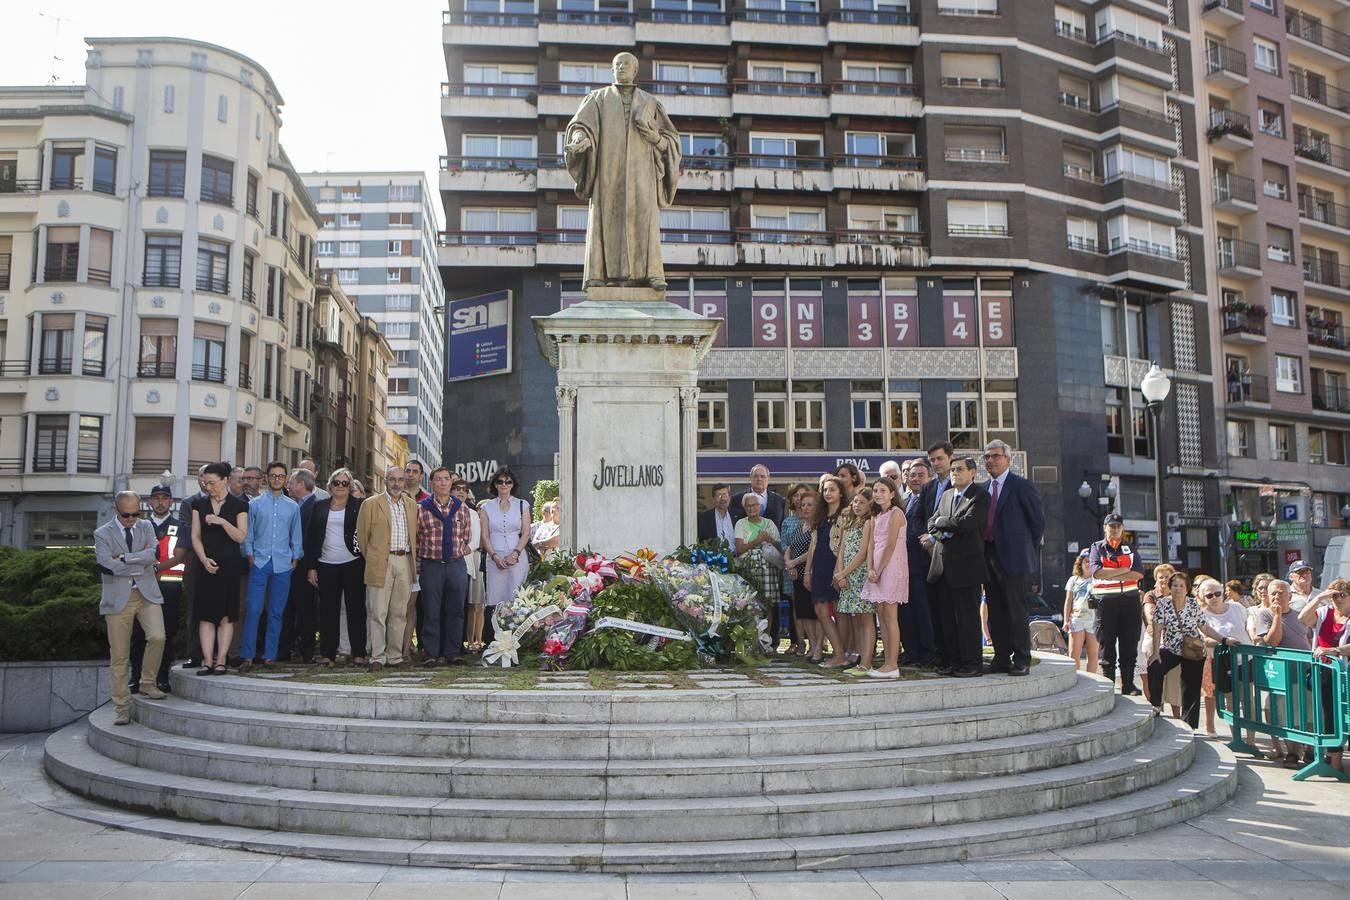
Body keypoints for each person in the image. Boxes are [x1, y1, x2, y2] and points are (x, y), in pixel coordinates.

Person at [563, 51, 681, 291]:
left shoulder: (650, 103)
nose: (621, 67)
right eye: (617, 64)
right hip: (609, 173)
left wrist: (655, 137)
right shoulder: (597, 99)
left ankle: (652, 274)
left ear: (635, 70)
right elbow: (580, 125)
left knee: (645, 220)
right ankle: (597, 275)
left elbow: (672, 143)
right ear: (612, 69)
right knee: (604, 218)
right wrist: (580, 139)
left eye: (626, 64)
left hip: (642, 176)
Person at [95, 492, 168, 725]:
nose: (131, 518)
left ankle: (147, 683)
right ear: (116, 510)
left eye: (136, 513)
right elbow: (107, 565)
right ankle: (122, 708)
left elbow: (153, 554)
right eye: (126, 515)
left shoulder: (146, 526)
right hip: (118, 599)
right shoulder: (102, 533)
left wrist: (125, 559)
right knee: (119, 656)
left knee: (158, 637)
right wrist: (139, 564)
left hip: (147, 593)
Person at [980, 440, 1044, 677]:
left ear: (1008, 459)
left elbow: (1037, 523)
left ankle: (1021, 658)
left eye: (996, 456)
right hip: (989, 555)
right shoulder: (983, 487)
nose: (990, 461)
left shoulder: (1021, 486)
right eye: (986, 457)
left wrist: (1025, 547)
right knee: (995, 610)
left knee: (1016, 610)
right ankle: (1001, 657)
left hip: (1014, 557)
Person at [1145, 571, 1238, 729]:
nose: (1178, 588)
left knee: (1191, 686)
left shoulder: (1193, 603)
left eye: (1181, 586)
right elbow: (1157, 628)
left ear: (1187, 588)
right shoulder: (1163, 603)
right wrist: (1155, 652)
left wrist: (1223, 639)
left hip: (1192, 648)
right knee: (1155, 667)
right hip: (1171, 647)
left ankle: (1190, 724)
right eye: (1174, 585)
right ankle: (1155, 705)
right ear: (1170, 587)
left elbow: (1204, 626)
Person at [927, 457, 991, 678]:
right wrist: (944, 527)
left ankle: (972, 664)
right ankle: (953, 661)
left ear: (972, 472)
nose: (954, 473)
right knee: (947, 619)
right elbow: (931, 523)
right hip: (943, 567)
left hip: (967, 568)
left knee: (967, 620)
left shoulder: (980, 495)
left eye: (960, 469)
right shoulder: (946, 495)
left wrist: (944, 523)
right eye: (952, 469)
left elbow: (968, 523)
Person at [238, 462, 303, 672]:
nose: (276, 479)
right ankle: (247, 656)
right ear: (266, 478)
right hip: (259, 562)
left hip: (283, 564)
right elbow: (248, 533)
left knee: (276, 612)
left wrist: (296, 557)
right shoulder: (255, 504)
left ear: (285, 479)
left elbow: (296, 534)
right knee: (254, 610)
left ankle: (270, 656)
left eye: (281, 476)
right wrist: (249, 555)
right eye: (273, 476)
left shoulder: (293, 506)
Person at [356, 466, 419, 671]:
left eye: (400, 480)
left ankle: (395, 656)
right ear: (385, 481)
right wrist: (374, 557)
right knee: (377, 612)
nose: (397, 484)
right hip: (380, 561)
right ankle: (377, 656)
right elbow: (363, 539)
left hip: (405, 561)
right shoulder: (371, 504)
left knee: (399, 612)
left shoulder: (411, 505)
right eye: (392, 479)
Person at [190, 462, 249, 676]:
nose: (208, 487)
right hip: (205, 565)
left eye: (212, 483)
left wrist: (222, 521)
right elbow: (195, 536)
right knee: (205, 615)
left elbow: (241, 536)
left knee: (226, 615)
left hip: (230, 565)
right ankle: (207, 661)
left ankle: (222, 660)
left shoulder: (239, 505)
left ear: (225, 480)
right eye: (205, 483)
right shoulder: (198, 503)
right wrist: (204, 559)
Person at [129, 484, 188, 694]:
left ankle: (162, 677)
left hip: (169, 587)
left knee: (166, 634)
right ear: (150, 501)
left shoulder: (180, 526)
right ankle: (136, 677)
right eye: (156, 498)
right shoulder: (139, 525)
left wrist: (156, 567)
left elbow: (180, 555)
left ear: (171, 501)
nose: (160, 502)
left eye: (165, 498)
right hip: (141, 586)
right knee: (138, 635)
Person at [304, 468, 366, 666]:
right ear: (330, 485)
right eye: (337, 483)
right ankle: (328, 654)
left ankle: (358, 653)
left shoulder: (359, 506)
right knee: (328, 610)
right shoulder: (319, 506)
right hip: (326, 564)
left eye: (345, 483)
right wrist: (311, 567)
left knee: (355, 609)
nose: (340, 486)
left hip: (353, 563)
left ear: (350, 486)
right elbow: (311, 538)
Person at [417, 466, 474, 666]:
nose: (442, 483)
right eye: (438, 479)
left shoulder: (462, 508)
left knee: (456, 610)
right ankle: (431, 653)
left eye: (446, 479)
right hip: (431, 565)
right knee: (431, 610)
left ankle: (453, 651)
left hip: (456, 564)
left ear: (451, 482)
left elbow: (466, 537)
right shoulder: (422, 508)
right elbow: (416, 538)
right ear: (431, 483)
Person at [1087, 513, 1146, 695]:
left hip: (1129, 600)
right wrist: (1122, 570)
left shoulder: (1130, 548)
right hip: (1106, 602)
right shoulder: (1097, 547)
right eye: (1111, 526)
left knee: (1129, 642)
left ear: (1122, 528)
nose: (1114, 529)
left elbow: (1138, 574)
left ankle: (1128, 684)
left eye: (1118, 526)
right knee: (1107, 643)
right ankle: (1108, 684)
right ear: (1105, 528)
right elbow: (1096, 572)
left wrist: (1111, 571)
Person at [804, 476, 852, 668]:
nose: (828, 493)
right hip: (820, 565)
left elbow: (844, 545)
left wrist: (838, 570)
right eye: (825, 490)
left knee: (840, 612)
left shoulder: (846, 514)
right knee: (820, 611)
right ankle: (838, 652)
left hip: (836, 565)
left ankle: (841, 654)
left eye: (832, 489)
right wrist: (807, 572)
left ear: (840, 492)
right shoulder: (820, 515)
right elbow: (813, 545)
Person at [482, 466, 531, 648]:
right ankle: (494, 643)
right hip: (495, 557)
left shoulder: (522, 504)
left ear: (513, 484)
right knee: (495, 600)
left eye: (508, 481)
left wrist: (516, 553)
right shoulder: (487, 507)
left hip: (517, 556)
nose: (504, 484)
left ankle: (519, 642)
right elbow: (485, 536)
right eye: (500, 481)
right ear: (495, 484)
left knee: (516, 598)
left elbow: (526, 533)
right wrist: (494, 556)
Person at [1304, 579, 1350, 772]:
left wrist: (1334, 650)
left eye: (1343, 595)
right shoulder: (1324, 613)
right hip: (1324, 673)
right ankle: (1335, 765)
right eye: (1334, 595)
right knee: (1330, 716)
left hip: (1345, 675)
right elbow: (1303, 618)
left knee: (1345, 717)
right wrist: (1320, 597)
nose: (1338, 599)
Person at [863, 477, 906, 678]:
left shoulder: (896, 514)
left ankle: (892, 663)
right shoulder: (875, 516)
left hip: (891, 567)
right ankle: (887, 663)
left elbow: (890, 545)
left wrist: (879, 570)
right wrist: (870, 568)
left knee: (890, 616)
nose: (878, 494)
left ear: (892, 493)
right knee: (881, 613)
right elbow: (871, 545)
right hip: (876, 569)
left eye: (882, 490)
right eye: (875, 490)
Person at [1198, 577, 1252, 736]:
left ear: (1223, 593)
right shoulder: (1201, 615)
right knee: (1230, 702)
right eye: (1209, 595)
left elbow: (1248, 628)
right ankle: (1236, 738)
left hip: (1246, 660)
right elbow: (1202, 639)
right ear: (1202, 597)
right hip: (1222, 663)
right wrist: (1223, 641)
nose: (1214, 598)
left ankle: (1250, 741)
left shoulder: (1237, 607)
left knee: (1249, 701)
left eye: (1217, 593)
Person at [918, 442, 955, 667]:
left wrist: (934, 538)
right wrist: (925, 537)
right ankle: (940, 655)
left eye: (939, 458)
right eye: (932, 459)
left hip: (950, 555)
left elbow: (955, 518)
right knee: (934, 609)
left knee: (951, 609)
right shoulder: (929, 487)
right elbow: (922, 517)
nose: (936, 463)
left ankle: (954, 656)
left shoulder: (959, 484)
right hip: (927, 556)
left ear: (950, 458)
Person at [277, 468, 320, 662]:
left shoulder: (315, 506)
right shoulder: (291, 504)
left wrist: (311, 566)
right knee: (287, 608)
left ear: (301, 484)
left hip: (304, 567)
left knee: (305, 609)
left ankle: (307, 650)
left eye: (291, 482)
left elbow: (312, 540)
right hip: (288, 566)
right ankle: (285, 649)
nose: (288, 485)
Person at [834, 487, 877, 673]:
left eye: (862, 502)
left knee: (866, 619)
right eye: (855, 502)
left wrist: (844, 573)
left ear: (870, 505)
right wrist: (839, 572)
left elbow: (862, 553)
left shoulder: (868, 523)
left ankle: (866, 661)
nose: (857, 505)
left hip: (859, 576)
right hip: (847, 576)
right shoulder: (849, 523)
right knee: (857, 619)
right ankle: (858, 655)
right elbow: (842, 550)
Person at [900, 460, 938, 666]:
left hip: (922, 562)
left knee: (923, 610)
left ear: (929, 477)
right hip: (901, 565)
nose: (915, 478)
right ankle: (911, 651)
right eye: (912, 475)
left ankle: (928, 653)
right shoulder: (903, 499)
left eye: (920, 475)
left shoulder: (932, 499)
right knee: (905, 611)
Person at [734, 492, 782, 626]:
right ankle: (752, 640)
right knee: (748, 604)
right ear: (744, 508)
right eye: (748, 506)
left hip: (767, 570)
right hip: (748, 569)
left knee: (767, 605)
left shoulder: (769, 523)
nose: (751, 508)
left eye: (754, 505)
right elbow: (739, 550)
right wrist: (757, 541)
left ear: (760, 506)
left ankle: (766, 641)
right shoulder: (740, 524)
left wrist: (770, 540)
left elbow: (779, 547)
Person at [178, 464, 209, 669]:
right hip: (194, 565)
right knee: (194, 610)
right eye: (201, 476)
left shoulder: (224, 502)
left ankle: (213, 653)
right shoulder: (188, 504)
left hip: (219, 563)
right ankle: (194, 653)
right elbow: (187, 533)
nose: (205, 480)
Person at [785, 488, 821, 659]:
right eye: (803, 504)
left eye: (810, 505)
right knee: (803, 613)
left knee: (814, 614)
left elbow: (812, 551)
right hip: (796, 575)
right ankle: (812, 646)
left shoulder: (817, 526)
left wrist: (795, 562)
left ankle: (818, 648)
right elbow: (790, 547)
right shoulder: (801, 525)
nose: (805, 508)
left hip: (812, 574)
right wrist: (789, 564)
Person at [776, 484, 809, 654]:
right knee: (796, 606)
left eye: (803, 495)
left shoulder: (813, 519)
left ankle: (818, 641)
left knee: (812, 606)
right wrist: (790, 564)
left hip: (808, 568)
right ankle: (798, 642)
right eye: (796, 495)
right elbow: (784, 545)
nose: (799, 498)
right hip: (791, 569)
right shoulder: (788, 521)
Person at [455, 478, 487, 653]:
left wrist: (462, 550)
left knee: (469, 605)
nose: (460, 492)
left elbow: (476, 539)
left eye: (464, 489)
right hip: (445, 562)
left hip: (468, 560)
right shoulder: (442, 509)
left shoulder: (473, 513)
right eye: (457, 488)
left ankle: (467, 643)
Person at [1062, 550, 1099, 673]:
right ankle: (1075, 679)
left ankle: (1092, 681)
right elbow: (1068, 601)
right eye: (1086, 561)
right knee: (1073, 654)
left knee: (1093, 655)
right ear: (1080, 563)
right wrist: (1066, 620)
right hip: (1076, 619)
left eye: (1091, 561)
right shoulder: (1073, 580)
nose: (1088, 564)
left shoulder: (1098, 579)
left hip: (1093, 620)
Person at [731, 464, 786, 529]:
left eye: (762, 476)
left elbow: (782, 525)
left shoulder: (779, 500)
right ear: (750, 478)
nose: (759, 479)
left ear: (768, 479)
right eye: (756, 476)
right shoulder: (737, 499)